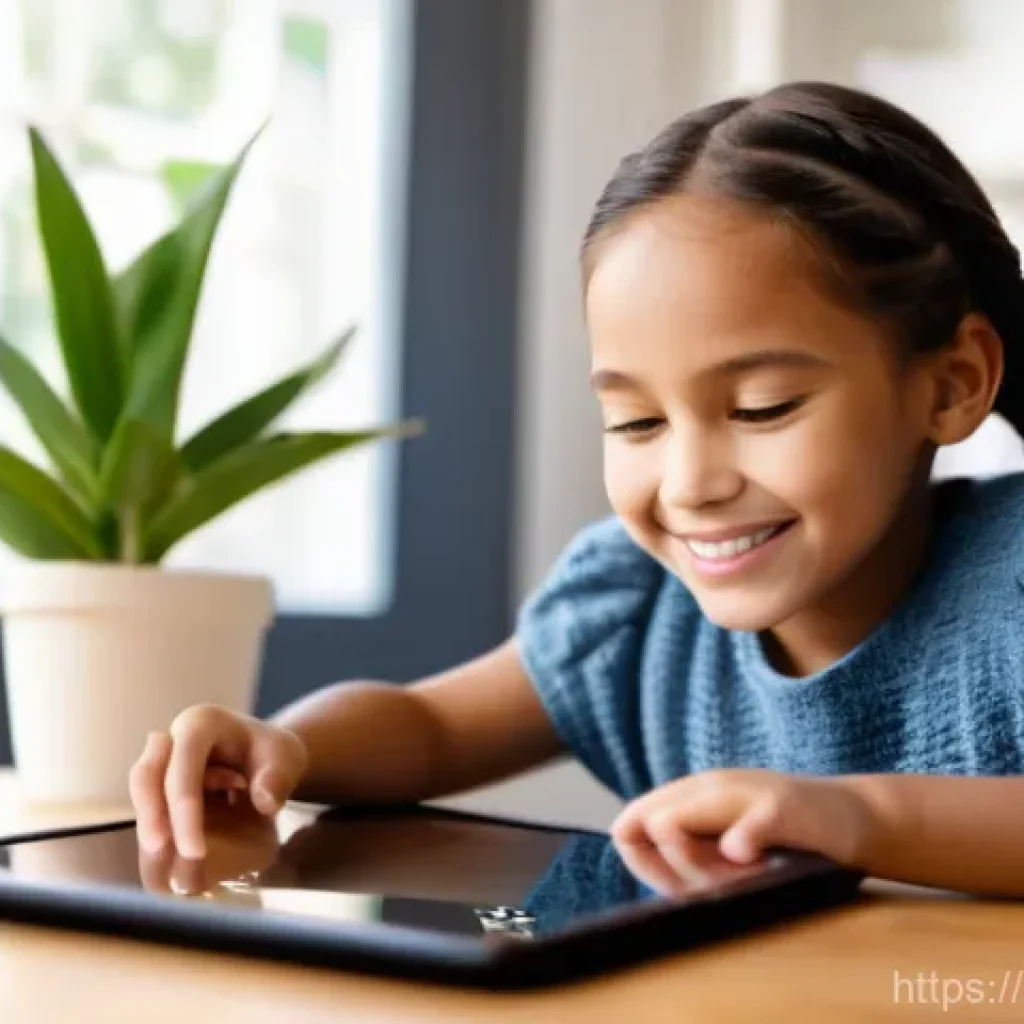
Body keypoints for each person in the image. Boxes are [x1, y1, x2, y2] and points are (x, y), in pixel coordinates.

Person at [131, 81, 1024, 898]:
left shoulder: (1008, 589)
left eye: (763, 407)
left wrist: (854, 817)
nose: (691, 484)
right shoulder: (633, 610)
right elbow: (429, 725)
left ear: (949, 386)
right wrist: (284, 747)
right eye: (637, 423)